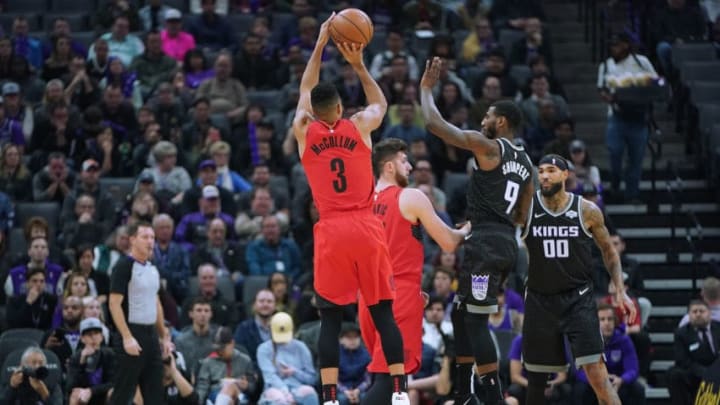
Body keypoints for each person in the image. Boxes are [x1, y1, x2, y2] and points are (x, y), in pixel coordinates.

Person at [291, 13, 409, 405]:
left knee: (329, 318)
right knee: (382, 312)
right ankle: (400, 393)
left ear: (312, 110)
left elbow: (306, 87)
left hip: (331, 229)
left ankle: (327, 398)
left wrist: (321, 43)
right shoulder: (359, 125)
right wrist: (358, 64)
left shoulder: (303, 131)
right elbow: (381, 101)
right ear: (340, 107)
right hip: (366, 224)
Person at [420, 56, 534, 405]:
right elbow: (523, 216)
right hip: (504, 244)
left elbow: (436, 125)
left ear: (500, 121)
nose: (481, 121)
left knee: (476, 321)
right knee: (461, 311)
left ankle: (492, 396)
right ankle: (464, 391)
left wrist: (425, 89)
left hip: (485, 246)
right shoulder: (528, 163)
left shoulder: (490, 146)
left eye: (486, 116)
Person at [360, 138, 470, 404]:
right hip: (398, 292)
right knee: (389, 381)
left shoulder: (361, 201)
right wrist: (468, 229)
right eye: (403, 160)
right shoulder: (410, 196)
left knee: (388, 377)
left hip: (366, 296)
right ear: (388, 167)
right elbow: (448, 242)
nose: (409, 167)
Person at [520, 154, 637, 405]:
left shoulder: (586, 210)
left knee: (597, 375)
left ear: (565, 175)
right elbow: (496, 222)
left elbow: (609, 250)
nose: (544, 176)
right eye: (540, 171)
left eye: (551, 170)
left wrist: (620, 289)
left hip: (578, 299)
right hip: (540, 300)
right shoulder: (527, 208)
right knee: (537, 381)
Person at [108, 221, 174, 404]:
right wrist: (127, 337)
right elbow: (114, 304)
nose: (150, 241)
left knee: (155, 392)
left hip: (150, 335)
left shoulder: (152, 269)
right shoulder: (123, 266)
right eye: (145, 237)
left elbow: (156, 303)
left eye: (152, 237)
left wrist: (164, 337)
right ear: (132, 240)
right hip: (131, 332)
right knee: (123, 392)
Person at [573, 304, 645, 404]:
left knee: (638, 389)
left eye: (610, 319)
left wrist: (622, 379)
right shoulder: (587, 341)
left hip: (617, 382)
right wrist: (598, 381)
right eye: (602, 319)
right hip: (594, 382)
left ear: (615, 321)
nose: (606, 323)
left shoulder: (624, 340)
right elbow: (579, 371)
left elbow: (632, 368)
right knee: (580, 389)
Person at [668, 299, 720, 405]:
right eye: (694, 311)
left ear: (709, 313)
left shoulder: (718, 328)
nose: (698, 314)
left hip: (716, 368)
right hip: (694, 371)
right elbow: (682, 360)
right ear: (689, 315)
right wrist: (704, 373)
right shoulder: (681, 333)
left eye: (702, 311)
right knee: (675, 374)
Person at [66, 317, 116, 405]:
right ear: (82, 338)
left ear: (101, 336)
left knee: (113, 392)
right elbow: (70, 387)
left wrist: (92, 391)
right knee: (75, 395)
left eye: (96, 333)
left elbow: (114, 382)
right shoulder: (76, 357)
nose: (93, 337)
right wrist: (82, 363)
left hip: (102, 395)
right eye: (89, 334)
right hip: (84, 397)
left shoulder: (109, 354)